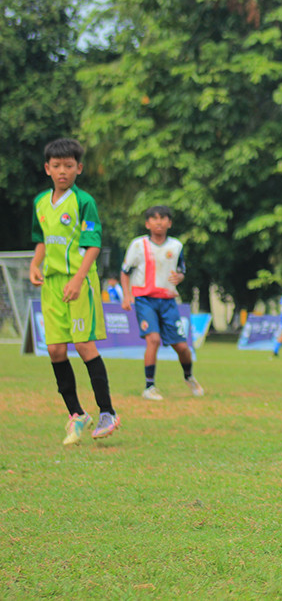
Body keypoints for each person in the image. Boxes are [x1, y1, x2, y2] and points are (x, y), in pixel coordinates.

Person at [29, 138, 120, 444]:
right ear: (47, 169)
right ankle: (76, 414)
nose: (62, 171)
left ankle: (108, 412)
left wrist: (79, 279)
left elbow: (93, 244)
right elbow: (42, 239)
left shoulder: (84, 202)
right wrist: (35, 264)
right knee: (55, 350)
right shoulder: (41, 202)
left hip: (79, 281)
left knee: (83, 345)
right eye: (57, 166)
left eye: (69, 166)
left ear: (79, 168)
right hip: (52, 283)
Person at [121, 205, 204, 400]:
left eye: (163, 218)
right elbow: (125, 272)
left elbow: (181, 270)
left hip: (167, 301)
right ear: (147, 223)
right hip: (145, 300)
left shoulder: (176, 246)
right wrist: (127, 295)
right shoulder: (138, 245)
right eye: (154, 218)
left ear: (170, 222)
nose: (159, 222)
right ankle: (149, 387)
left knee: (182, 347)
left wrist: (180, 277)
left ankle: (189, 376)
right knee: (153, 340)